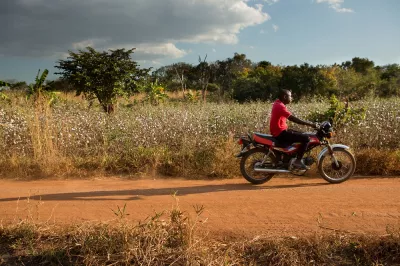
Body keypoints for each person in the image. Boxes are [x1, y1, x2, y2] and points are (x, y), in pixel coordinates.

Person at [269, 89, 317, 169]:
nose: (291, 98)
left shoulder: (278, 103)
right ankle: (298, 161)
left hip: (280, 131)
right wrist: (310, 124)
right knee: (306, 139)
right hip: (280, 133)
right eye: (290, 96)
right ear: (284, 97)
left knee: (302, 134)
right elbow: (293, 119)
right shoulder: (280, 106)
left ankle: (289, 157)